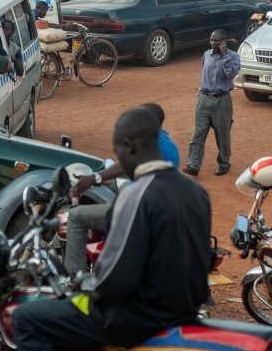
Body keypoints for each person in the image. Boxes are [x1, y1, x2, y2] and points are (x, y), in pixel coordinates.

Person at [12, 107, 211, 350]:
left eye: (117, 150)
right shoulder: (197, 193)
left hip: (139, 318)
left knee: (26, 319)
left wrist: (84, 283)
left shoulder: (135, 194)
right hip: (184, 311)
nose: (118, 157)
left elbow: (115, 278)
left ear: (128, 146)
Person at [63, 102, 179, 276]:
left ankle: (74, 278)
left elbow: (125, 163)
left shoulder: (152, 141)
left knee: (76, 216)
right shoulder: (168, 144)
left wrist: (95, 177)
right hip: (156, 208)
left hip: (138, 212)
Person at [184, 30, 241, 177]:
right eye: (211, 40)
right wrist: (201, 89)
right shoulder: (206, 55)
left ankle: (224, 163)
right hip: (204, 98)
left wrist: (225, 56)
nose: (213, 43)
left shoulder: (233, 57)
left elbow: (231, 74)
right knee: (198, 134)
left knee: (222, 135)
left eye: (216, 41)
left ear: (224, 42)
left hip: (222, 100)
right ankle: (193, 165)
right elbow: (205, 73)